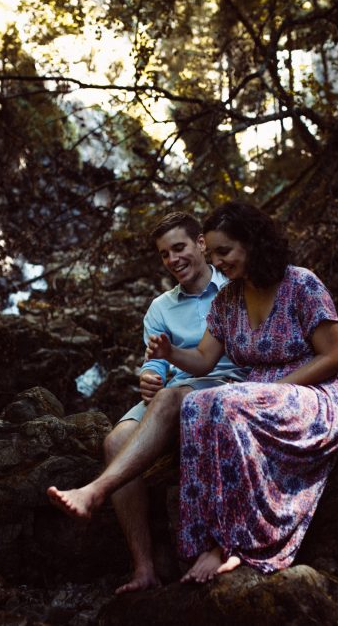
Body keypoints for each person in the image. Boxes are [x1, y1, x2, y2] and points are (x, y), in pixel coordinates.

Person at [146, 201, 338, 584]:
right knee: (195, 403)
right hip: (259, 391)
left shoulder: (301, 283)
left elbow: (333, 356)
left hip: (314, 389)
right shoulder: (229, 298)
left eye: (223, 251)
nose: (218, 261)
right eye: (212, 253)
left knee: (229, 403)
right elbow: (202, 359)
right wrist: (168, 354)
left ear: (252, 243)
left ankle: (233, 543)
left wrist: (273, 389)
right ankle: (203, 537)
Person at [47, 211, 246, 594]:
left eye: (179, 248)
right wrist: (148, 377)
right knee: (115, 441)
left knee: (171, 398)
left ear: (201, 244)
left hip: (224, 384)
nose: (173, 260)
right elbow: (154, 361)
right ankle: (143, 567)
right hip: (175, 388)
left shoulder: (232, 285)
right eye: (164, 254)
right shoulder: (160, 308)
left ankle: (95, 491)